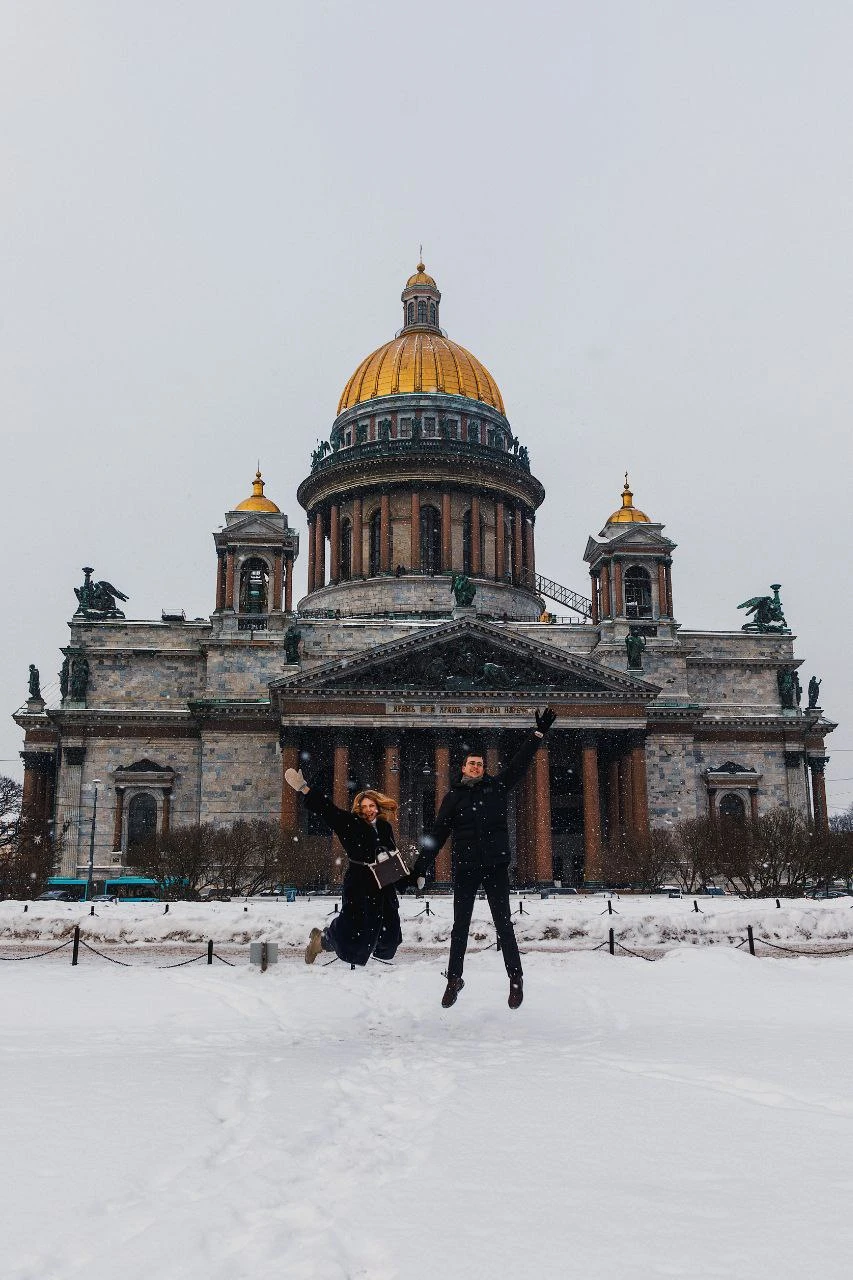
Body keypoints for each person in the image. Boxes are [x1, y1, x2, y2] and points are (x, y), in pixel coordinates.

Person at [417, 708, 557, 1010]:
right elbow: (437, 834)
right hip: (466, 867)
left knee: (503, 924)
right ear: (463, 768)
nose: (476, 767)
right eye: (472, 763)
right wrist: (420, 867)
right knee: (460, 926)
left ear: (483, 768)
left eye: (480, 764)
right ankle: (454, 979)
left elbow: (520, 764)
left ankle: (516, 978)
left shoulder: (497, 787)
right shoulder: (453, 797)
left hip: (494, 865)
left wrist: (538, 734)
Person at [284, 767, 405, 967]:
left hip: (384, 884)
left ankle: (366, 942)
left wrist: (406, 878)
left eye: (372, 805)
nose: (369, 810)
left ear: (378, 807)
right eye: (364, 806)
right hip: (360, 883)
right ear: (359, 808)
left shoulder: (385, 827)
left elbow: (393, 857)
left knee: (390, 937)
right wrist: (304, 788)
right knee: (351, 932)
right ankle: (321, 941)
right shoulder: (350, 823)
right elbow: (327, 809)